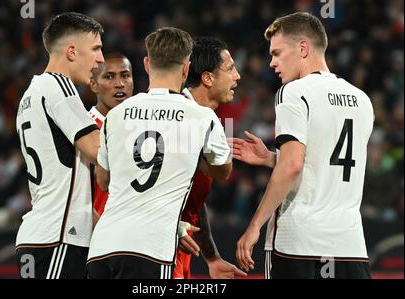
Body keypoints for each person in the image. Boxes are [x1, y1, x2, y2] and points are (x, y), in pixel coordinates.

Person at [233, 12, 374, 279]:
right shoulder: (362, 100)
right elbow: (326, 165)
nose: (272, 63)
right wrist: (272, 159)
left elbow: (293, 166)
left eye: (277, 53)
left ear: (302, 48)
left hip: (299, 244)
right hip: (350, 245)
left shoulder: (294, 92)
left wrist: (254, 226)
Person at [87, 27, 232, 279]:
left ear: (146, 64)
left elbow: (103, 180)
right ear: (186, 67)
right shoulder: (201, 117)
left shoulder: (117, 114)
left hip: (103, 248)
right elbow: (223, 171)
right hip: (151, 249)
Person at [15, 12, 104, 279]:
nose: (100, 58)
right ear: (72, 51)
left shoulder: (30, 95)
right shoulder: (59, 86)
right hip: (58, 238)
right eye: (96, 49)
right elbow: (99, 150)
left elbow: (69, 177)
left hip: (44, 236)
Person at [173, 36, 245, 279]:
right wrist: (170, 228)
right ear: (207, 78)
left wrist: (212, 257)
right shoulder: (178, 119)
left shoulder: (202, 119)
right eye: (230, 68)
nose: (237, 76)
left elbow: (194, 201)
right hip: (156, 248)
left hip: (178, 245)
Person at [88, 52, 134, 216]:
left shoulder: (143, 127)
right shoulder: (84, 129)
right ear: (93, 85)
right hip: (100, 234)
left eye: (125, 75)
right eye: (109, 77)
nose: (120, 84)